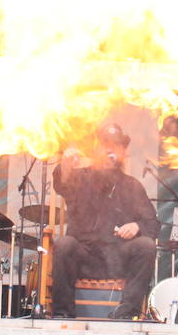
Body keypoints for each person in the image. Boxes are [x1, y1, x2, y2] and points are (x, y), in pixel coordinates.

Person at [50, 123, 159, 319]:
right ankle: (62, 314)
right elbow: (61, 183)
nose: (110, 149)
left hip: (117, 258)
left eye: (116, 146)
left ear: (123, 152)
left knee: (146, 245)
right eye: (105, 144)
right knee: (64, 244)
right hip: (83, 257)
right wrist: (66, 165)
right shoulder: (78, 179)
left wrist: (137, 227)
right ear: (95, 150)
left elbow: (152, 224)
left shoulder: (132, 186)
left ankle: (127, 314)